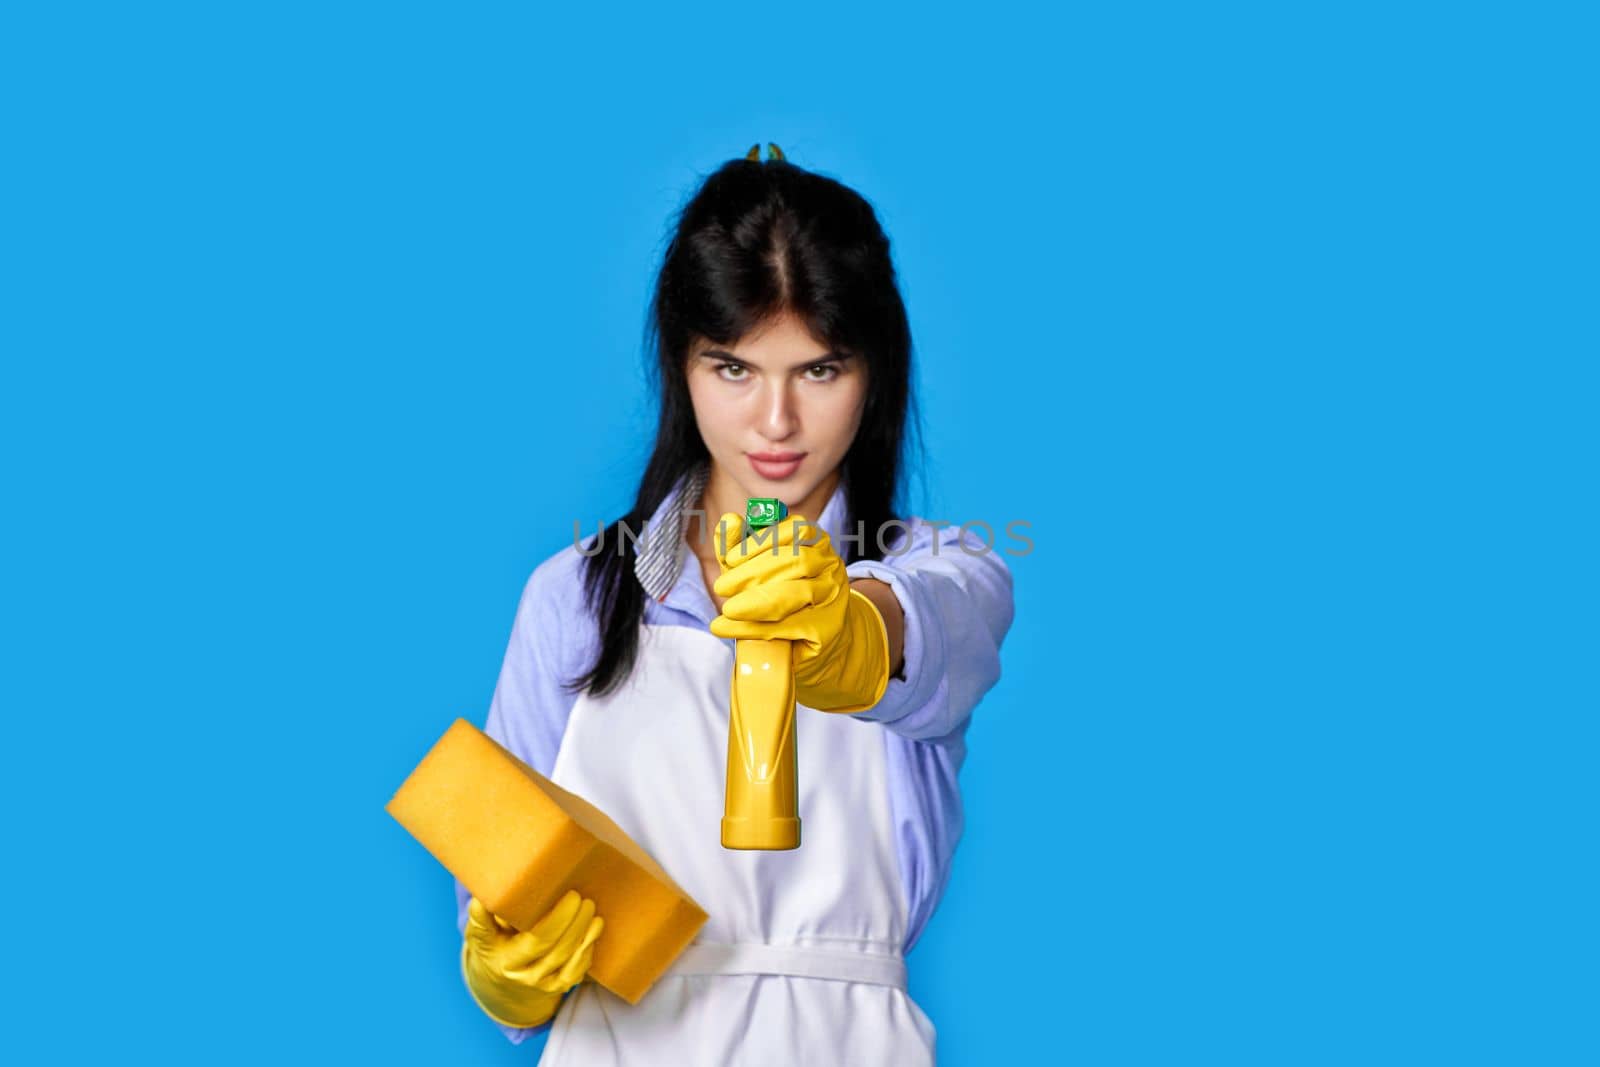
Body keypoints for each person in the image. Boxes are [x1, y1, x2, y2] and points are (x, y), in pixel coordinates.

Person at [452, 143, 1015, 1065]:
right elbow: (506, 875)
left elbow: (931, 625)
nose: (776, 422)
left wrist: (853, 634)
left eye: (819, 370)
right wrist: (509, 962)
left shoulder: (942, 571)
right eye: (734, 368)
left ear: (874, 371)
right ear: (680, 364)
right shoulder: (578, 596)